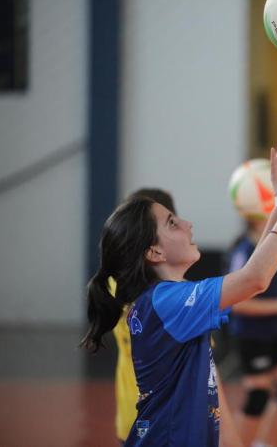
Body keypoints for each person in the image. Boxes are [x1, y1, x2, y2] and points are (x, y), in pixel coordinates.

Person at [81, 135, 277, 446]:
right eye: (173, 223)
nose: (189, 224)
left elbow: (251, 275)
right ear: (154, 252)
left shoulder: (168, 298)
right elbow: (255, 278)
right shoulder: (169, 303)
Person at [229, 218, 277, 447]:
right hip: (252, 334)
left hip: (276, 331)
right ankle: (234, 443)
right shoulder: (244, 251)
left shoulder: (276, 247)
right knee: (258, 397)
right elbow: (237, 303)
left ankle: (262, 441)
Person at [110, 188, 176, 445]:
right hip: (166, 420)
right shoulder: (175, 297)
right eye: (174, 223)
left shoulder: (113, 283)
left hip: (128, 416)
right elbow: (254, 279)